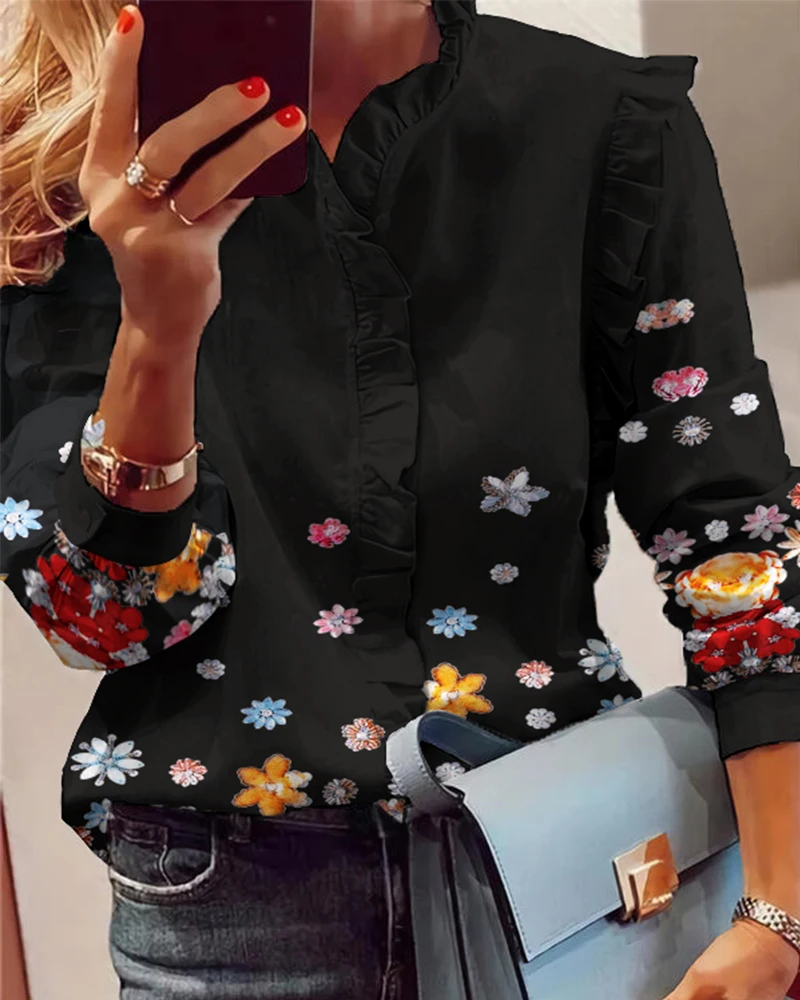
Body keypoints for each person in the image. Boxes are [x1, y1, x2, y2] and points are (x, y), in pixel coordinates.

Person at [1, 0, 799, 997]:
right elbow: (102, 618)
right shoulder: (74, 162)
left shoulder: (598, 124)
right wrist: (157, 336)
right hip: (230, 912)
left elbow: (732, 532)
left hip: (568, 879)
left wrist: (780, 909)